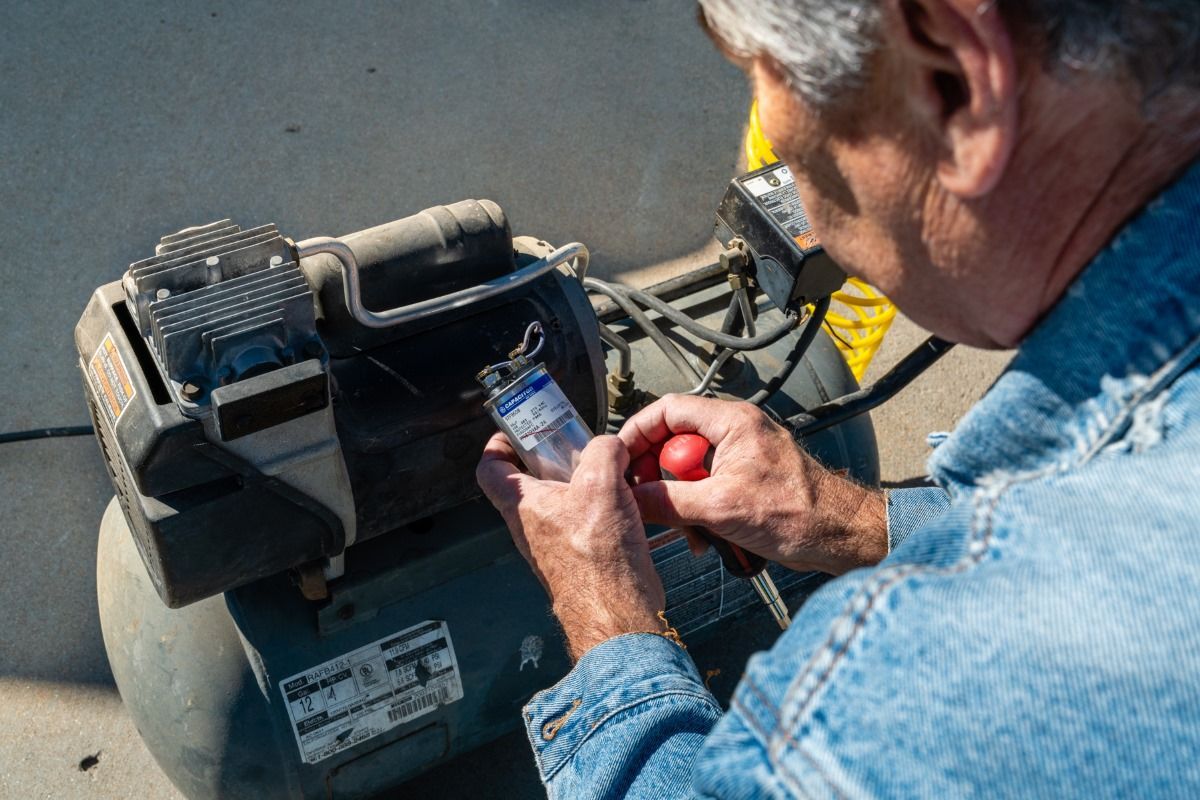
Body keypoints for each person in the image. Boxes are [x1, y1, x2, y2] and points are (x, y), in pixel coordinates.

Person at [477, 0, 1200, 796]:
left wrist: (604, 611)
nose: (807, 210)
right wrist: (852, 521)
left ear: (955, 84)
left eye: (797, 157)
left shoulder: (944, 679)